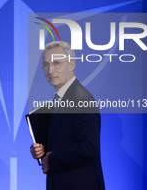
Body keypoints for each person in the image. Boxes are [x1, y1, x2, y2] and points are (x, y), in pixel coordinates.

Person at [30, 41, 105, 190]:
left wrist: (52, 159)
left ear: (71, 65)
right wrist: (41, 150)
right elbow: (63, 142)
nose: (50, 70)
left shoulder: (81, 98)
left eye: (56, 63)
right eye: (46, 65)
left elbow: (89, 147)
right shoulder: (59, 100)